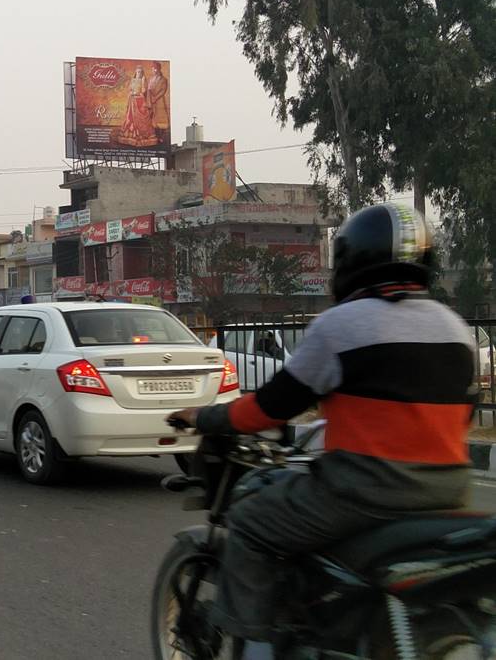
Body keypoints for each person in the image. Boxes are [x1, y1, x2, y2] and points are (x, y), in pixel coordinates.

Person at [168, 203, 476, 660]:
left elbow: (272, 409)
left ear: (352, 263)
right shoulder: (457, 329)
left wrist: (205, 417)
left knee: (251, 522)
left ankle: (252, 647)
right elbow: (463, 414)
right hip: (449, 489)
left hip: (364, 491)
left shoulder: (340, 325)